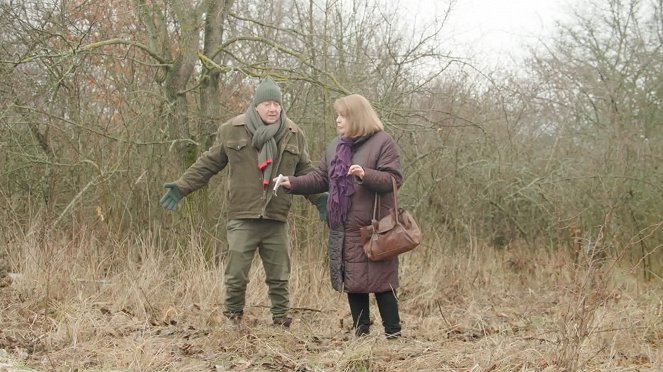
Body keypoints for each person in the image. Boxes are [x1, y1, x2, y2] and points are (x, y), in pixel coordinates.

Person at [159, 77, 327, 327]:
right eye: (268, 103)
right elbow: (208, 163)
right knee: (236, 273)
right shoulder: (232, 129)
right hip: (242, 215)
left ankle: (281, 320)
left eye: (277, 104)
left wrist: (321, 200)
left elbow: (306, 172)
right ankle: (232, 318)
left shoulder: (294, 134)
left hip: (276, 216)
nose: (273, 109)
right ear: (256, 105)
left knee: (280, 275)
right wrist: (182, 187)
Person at [277, 94, 403, 339]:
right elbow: (319, 178)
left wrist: (365, 174)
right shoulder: (336, 145)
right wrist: (290, 182)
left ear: (357, 117)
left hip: (374, 228)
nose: (338, 120)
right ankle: (361, 333)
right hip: (343, 226)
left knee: (382, 282)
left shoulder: (383, 142)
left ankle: (394, 334)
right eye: (337, 115)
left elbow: (393, 180)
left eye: (343, 116)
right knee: (353, 281)